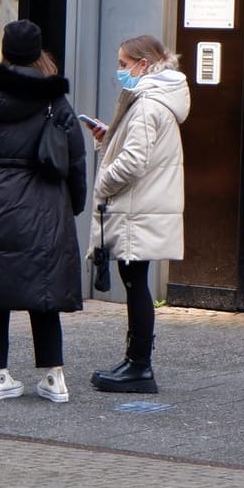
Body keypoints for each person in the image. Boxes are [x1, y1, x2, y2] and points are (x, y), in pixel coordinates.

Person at [0, 19, 86, 402]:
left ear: (5, 51)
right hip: (45, 200)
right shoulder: (55, 99)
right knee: (43, 290)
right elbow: (75, 158)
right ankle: (55, 376)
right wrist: (72, 205)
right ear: (38, 52)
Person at [87, 35, 190, 393]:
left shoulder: (147, 104)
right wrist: (107, 138)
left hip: (137, 208)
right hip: (144, 206)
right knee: (136, 284)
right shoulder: (159, 101)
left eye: (123, 63)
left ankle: (139, 365)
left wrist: (103, 182)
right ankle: (134, 360)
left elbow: (133, 162)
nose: (120, 71)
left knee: (135, 285)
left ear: (143, 64)